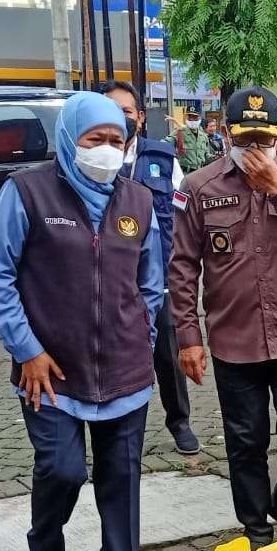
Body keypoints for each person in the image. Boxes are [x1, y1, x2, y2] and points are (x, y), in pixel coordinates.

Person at [0, 93, 160, 551]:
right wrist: (26, 349)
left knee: (122, 475)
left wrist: (142, 343)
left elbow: (151, 286)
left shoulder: (138, 202)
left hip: (125, 368)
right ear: (69, 139)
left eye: (116, 141)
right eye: (95, 140)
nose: (107, 150)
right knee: (62, 470)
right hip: (49, 370)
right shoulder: (27, 192)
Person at [169, 87, 277, 547]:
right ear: (226, 135)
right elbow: (183, 265)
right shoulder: (198, 188)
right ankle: (257, 528)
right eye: (246, 142)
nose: (255, 151)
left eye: (264, 141)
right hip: (233, 340)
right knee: (246, 443)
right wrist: (188, 336)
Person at [102, 80, 200, 456]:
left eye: (126, 112)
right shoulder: (91, 158)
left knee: (169, 358)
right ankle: (120, 431)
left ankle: (180, 423)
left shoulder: (161, 159)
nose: (119, 120)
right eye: (109, 111)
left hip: (159, 282)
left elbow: (182, 214)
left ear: (140, 118)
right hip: (110, 282)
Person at [169, 110, 215, 175]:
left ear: (199, 119)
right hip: (185, 173)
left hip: (200, 173)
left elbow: (206, 156)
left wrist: (215, 157)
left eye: (195, 117)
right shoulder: (180, 132)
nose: (192, 119)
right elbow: (166, 142)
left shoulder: (203, 136)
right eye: (189, 117)